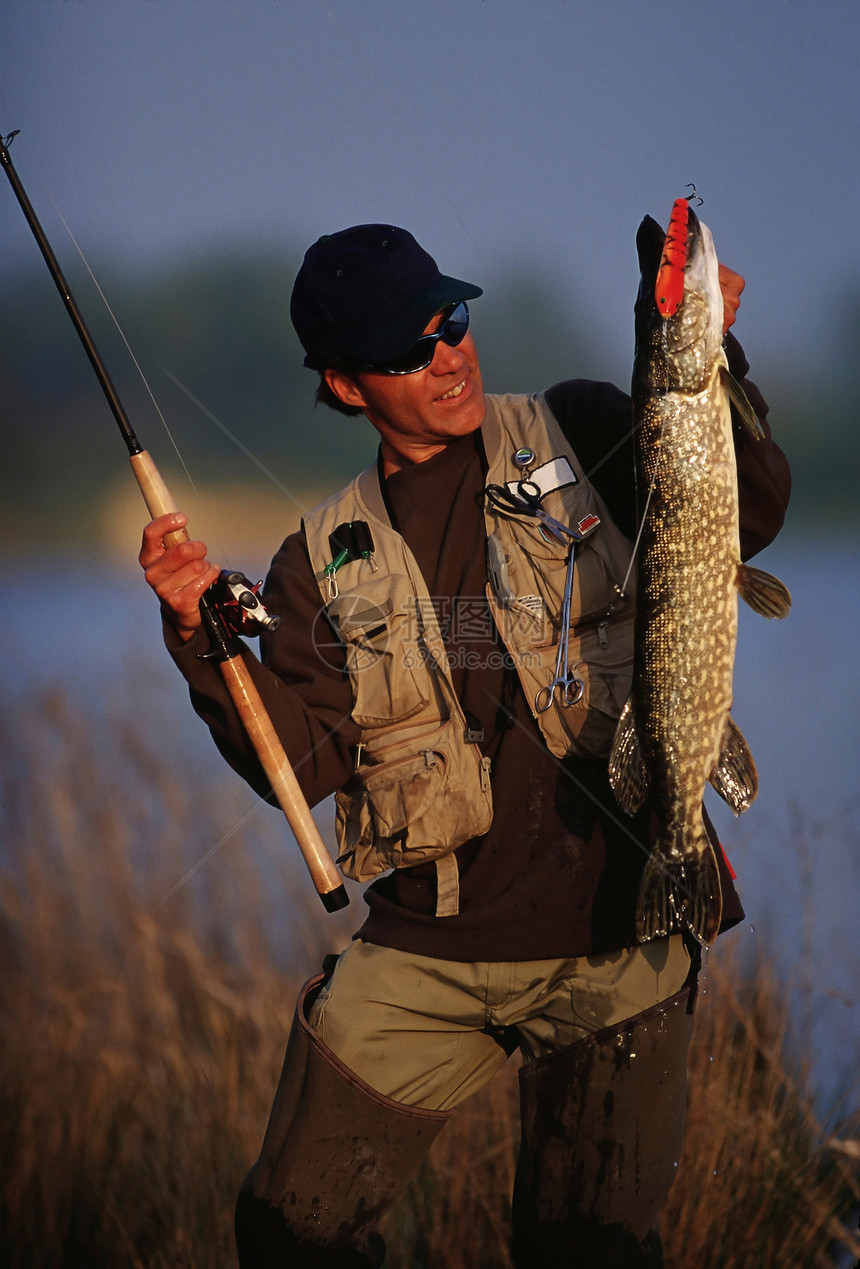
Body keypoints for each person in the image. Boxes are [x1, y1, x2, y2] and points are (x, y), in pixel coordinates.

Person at [140, 223, 791, 1267]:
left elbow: (744, 510)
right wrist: (195, 642)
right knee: (288, 1229)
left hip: (616, 932)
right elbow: (299, 769)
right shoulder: (315, 562)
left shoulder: (577, 427)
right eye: (411, 347)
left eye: (454, 321)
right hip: (428, 954)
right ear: (348, 387)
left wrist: (706, 348)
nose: (449, 353)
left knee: (591, 1251)